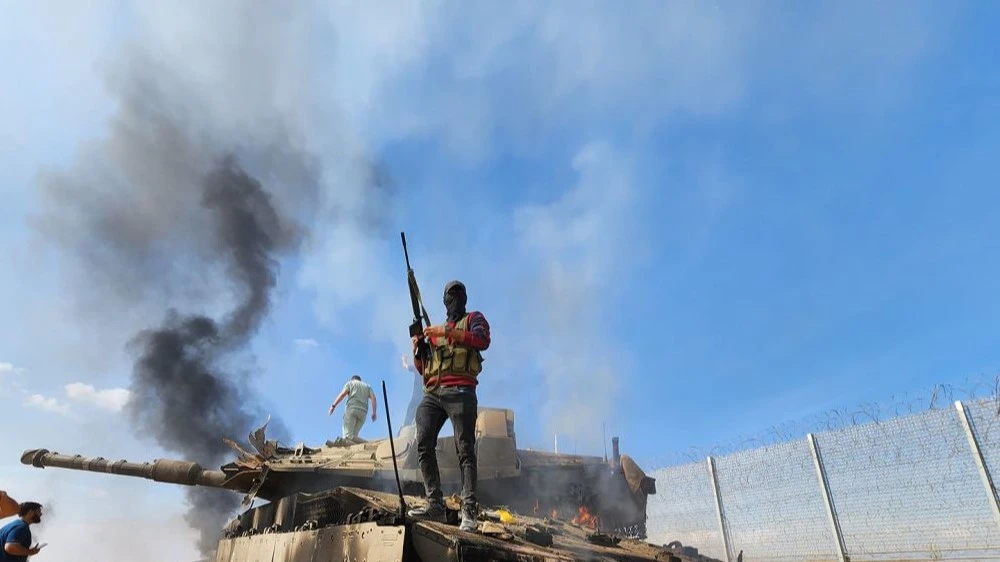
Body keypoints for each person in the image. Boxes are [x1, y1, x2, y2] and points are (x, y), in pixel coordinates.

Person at [406, 280, 490, 532]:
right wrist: (417, 350)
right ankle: (435, 504)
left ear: (464, 298)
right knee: (423, 443)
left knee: (465, 449)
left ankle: (469, 509)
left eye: (458, 295)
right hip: (433, 393)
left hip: (461, 391)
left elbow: (481, 340)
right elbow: (424, 369)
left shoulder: (473, 318)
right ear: (444, 301)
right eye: (450, 296)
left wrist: (447, 333)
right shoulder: (435, 333)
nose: (454, 299)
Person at [328, 375, 377, 442]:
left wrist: (333, 406)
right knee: (353, 436)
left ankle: (368, 444)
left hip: (352, 410)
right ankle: (361, 446)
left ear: (352, 379)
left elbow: (342, 394)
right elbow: (373, 399)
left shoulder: (350, 383)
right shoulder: (367, 386)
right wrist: (374, 413)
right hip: (363, 413)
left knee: (347, 436)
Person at [400, 354, 423, 427]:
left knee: (411, 412)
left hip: (417, 397)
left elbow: (405, 366)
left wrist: (404, 360)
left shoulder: (417, 367)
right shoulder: (428, 368)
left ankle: (406, 427)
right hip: (425, 397)